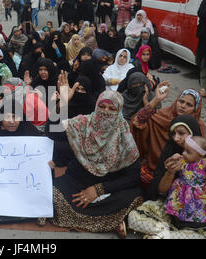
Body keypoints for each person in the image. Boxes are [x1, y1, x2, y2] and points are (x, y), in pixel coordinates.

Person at [128, 115, 206, 239]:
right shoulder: (171, 151)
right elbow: (161, 192)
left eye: (181, 133)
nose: (176, 138)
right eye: (173, 133)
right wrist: (170, 173)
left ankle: (164, 235)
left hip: (199, 212)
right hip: (174, 207)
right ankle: (172, 235)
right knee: (134, 217)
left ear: (193, 132)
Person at [51, 90, 142, 238]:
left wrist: (98, 190)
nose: (106, 112)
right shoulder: (81, 124)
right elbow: (52, 132)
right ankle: (114, 223)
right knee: (51, 193)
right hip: (76, 184)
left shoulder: (124, 135)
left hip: (107, 190)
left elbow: (133, 177)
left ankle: (111, 221)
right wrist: (62, 104)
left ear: (118, 111)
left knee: (135, 197)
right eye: (102, 106)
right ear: (96, 106)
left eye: (112, 109)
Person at [131, 87, 206, 189]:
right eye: (181, 101)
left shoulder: (197, 125)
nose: (183, 106)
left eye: (189, 105)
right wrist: (156, 99)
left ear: (195, 109)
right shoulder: (163, 115)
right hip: (156, 165)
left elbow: (199, 151)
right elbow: (138, 121)